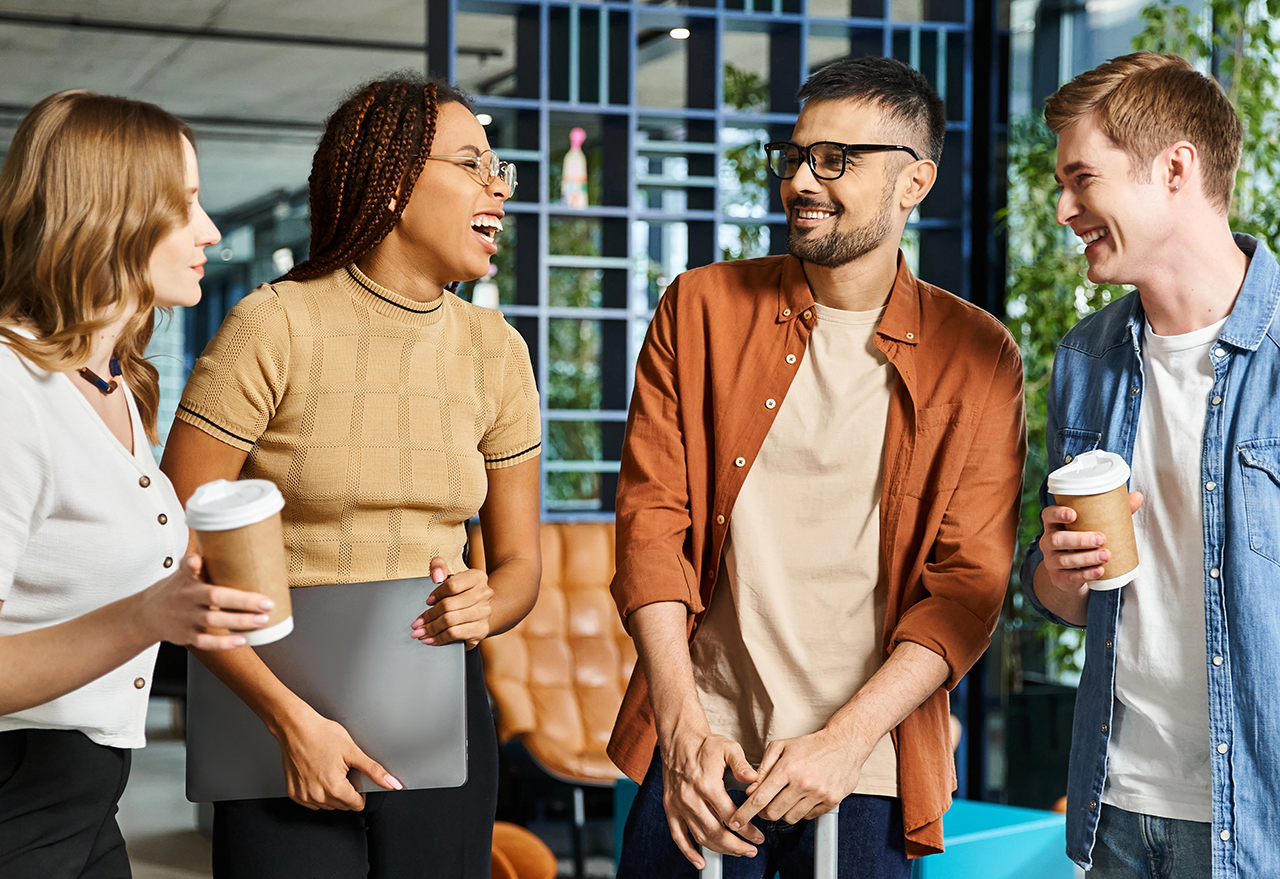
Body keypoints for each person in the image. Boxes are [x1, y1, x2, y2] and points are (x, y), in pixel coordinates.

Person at [609, 56, 1026, 878]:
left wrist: (845, 740)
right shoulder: (698, 310)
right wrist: (683, 726)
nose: (803, 178)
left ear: (915, 182)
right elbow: (651, 524)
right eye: (796, 155)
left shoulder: (978, 356)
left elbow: (966, 588)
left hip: (861, 767)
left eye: (836, 159)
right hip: (703, 751)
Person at [159, 73, 541, 879]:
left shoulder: (498, 353)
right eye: (472, 164)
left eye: (497, 168)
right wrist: (286, 720)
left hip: (439, 715)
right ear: (396, 181)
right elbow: (171, 547)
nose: (497, 188)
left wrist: (487, 602)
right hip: (277, 717)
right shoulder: (273, 323)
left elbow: (518, 572)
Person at [0, 90, 274, 878]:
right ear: (112, 214)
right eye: (184, 203)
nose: (211, 231)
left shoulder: (117, 384)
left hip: (85, 803)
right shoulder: (14, 390)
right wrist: (149, 615)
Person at [1023, 52, 1280, 878]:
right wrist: (1059, 573)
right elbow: (1060, 594)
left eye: (1082, 179)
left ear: (1176, 168)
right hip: (1120, 810)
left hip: (1261, 823)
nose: (1064, 209)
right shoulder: (1086, 359)